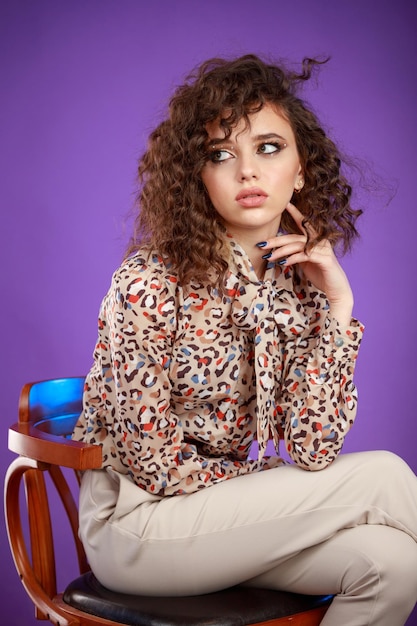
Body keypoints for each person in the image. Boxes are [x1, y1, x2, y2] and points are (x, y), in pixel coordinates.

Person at [72, 54, 417, 625]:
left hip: (223, 526)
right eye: (220, 155)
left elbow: (311, 450)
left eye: (269, 147)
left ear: (302, 169)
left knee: (395, 563)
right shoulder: (148, 282)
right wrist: (262, 482)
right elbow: (152, 465)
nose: (247, 172)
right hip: (140, 531)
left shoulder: (295, 286)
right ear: (197, 176)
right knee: (383, 476)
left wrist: (338, 306)